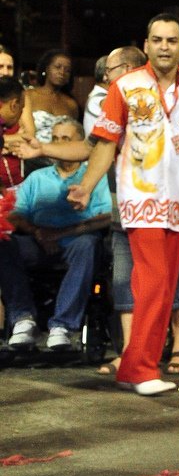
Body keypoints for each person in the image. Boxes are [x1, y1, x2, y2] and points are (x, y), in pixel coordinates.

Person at [59, 15, 179, 395]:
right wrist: (87, 186)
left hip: (178, 200)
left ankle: (136, 365)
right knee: (153, 282)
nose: (164, 46)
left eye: (171, 40)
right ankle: (140, 369)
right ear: (146, 45)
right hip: (140, 198)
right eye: (157, 40)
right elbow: (105, 143)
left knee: (164, 287)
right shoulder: (126, 85)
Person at [1, 119, 111, 350]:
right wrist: (38, 232)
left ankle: (62, 325)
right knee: (5, 243)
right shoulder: (37, 177)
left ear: (79, 144)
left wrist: (60, 233)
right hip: (39, 242)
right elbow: (16, 215)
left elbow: (106, 216)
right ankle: (22, 319)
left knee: (88, 244)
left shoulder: (93, 176)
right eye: (54, 139)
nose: (59, 144)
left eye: (65, 139)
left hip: (76, 241)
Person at [21, 49, 79, 144]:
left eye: (67, 70)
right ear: (46, 69)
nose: (62, 72)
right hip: (31, 149)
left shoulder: (71, 104)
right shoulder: (28, 95)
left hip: (62, 151)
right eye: (57, 67)